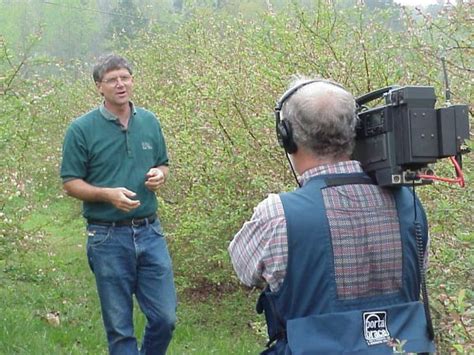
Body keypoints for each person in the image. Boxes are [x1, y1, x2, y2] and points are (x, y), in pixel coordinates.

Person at [228, 77, 435, 354]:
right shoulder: (409, 202)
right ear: (354, 131)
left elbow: (245, 270)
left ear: (286, 137)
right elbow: (421, 266)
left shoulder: (277, 214)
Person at [60, 54, 176, 355]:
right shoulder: (81, 129)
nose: (120, 84)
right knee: (120, 330)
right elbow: (70, 183)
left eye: (125, 77)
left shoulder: (149, 121)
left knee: (165, 319)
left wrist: (159, 175)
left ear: (132, 80)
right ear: (100, 86)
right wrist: (107, 194)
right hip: (107, 236)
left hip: (150, 232)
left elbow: (163, 163)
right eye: (112, 79)